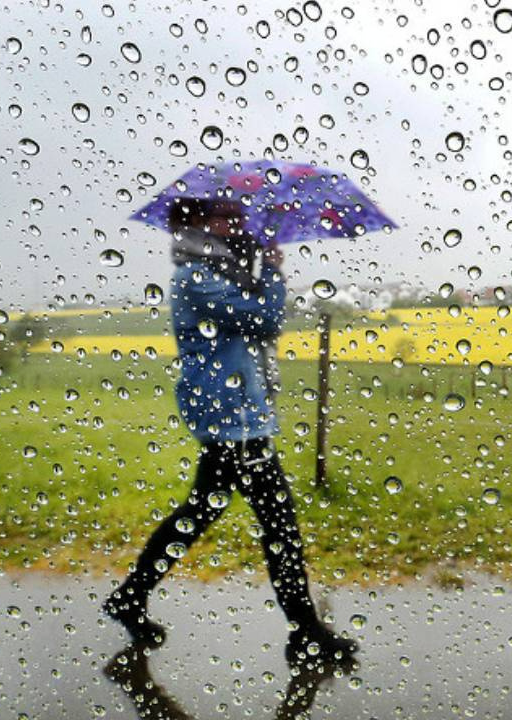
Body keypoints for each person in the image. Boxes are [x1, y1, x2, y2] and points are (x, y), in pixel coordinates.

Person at [103, 197, 357, 667]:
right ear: (201, 223)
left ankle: (130, 597)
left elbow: (252, 324)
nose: (241, 224)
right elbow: (263, 320)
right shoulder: (196, 277)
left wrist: (259, 265)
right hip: (229, 416)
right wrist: (275, 272)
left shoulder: (219, 270)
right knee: (278, 523)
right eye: (231, 217)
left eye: (241, 217)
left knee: (201, 511)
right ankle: (305, 632)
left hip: (237, 411)